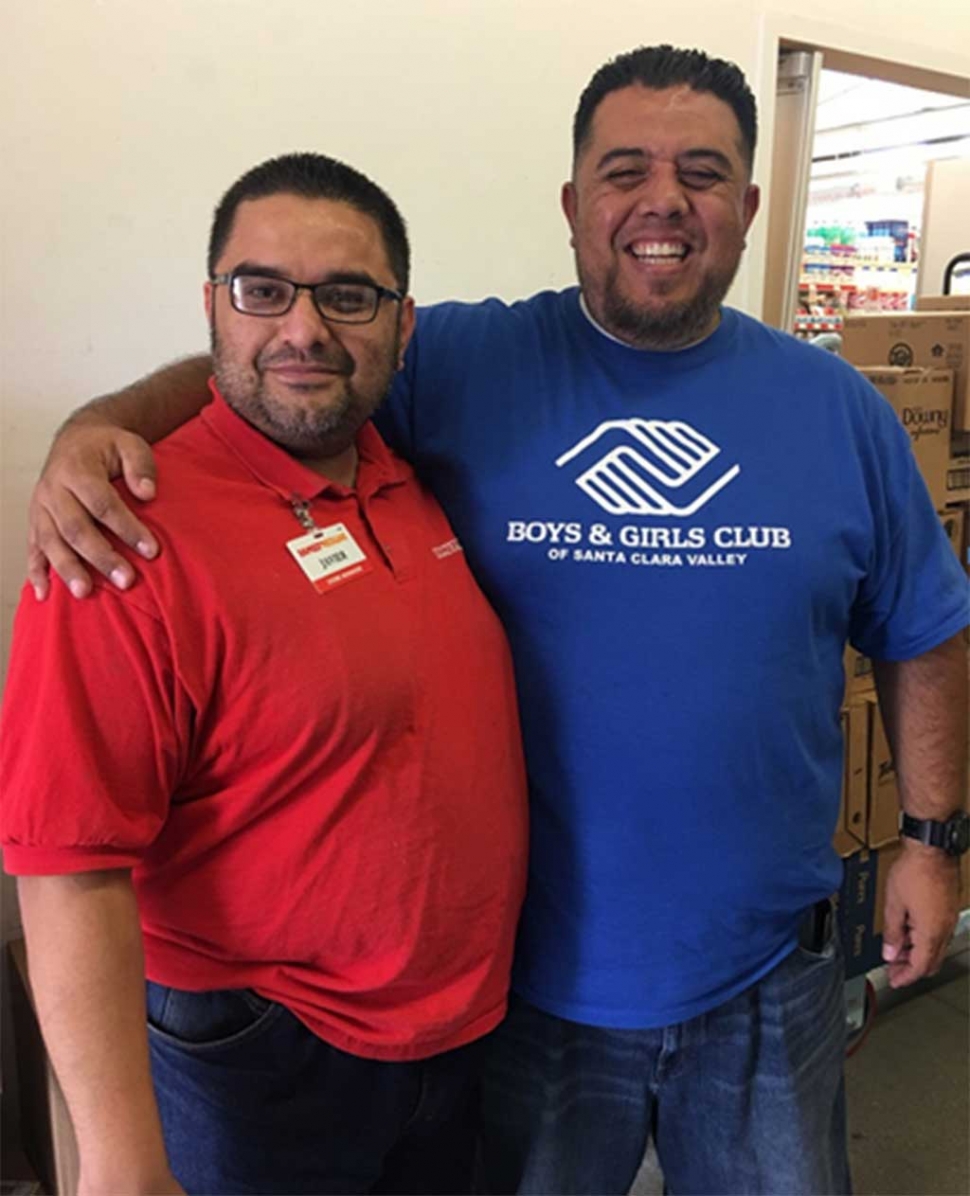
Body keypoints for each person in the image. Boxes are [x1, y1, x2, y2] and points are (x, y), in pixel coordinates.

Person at [20, 45, 970, 1196]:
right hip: (528, 992)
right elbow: (289, 365)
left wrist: (932, 836)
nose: (662, 200)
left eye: (703, 172)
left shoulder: (836, 408)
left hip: (765, 971)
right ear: (573, 206)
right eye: (625, 170)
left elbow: (922, 625)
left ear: (749, 207)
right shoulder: (466, 360)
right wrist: (100, 424)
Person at [1, 152, 529, 1196]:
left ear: (402, 325)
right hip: (258, 1058)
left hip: (452, 1037)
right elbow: (65, 862)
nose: (303, 329)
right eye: (262, 289)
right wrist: (119, 1161)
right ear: (212, 307)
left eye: (347, 295)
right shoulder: (121, 532)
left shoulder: (404, 476)